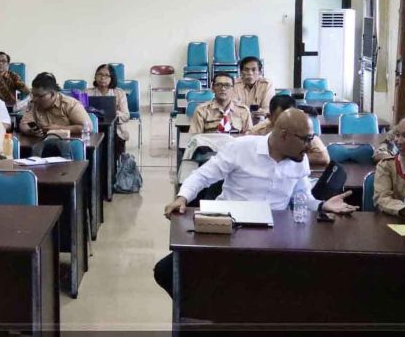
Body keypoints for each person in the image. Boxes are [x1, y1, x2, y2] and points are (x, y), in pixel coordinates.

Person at [153, 109, 358, 296]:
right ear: (284, 135)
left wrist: (322, 205)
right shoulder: (241, 148)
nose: (310, 146)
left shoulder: (299, 160)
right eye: (306, 139)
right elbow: (203, 175)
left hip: (274, 236)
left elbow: (302, 197)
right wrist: (182, 197)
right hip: (229, 230)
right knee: (167, 271)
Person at [250, 94, 329, 167]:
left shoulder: (302, 130)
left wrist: (288, 158)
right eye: (281, 119)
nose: (287, 123)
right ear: (269, 117)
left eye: (291, 119)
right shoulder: (255, 132)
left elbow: (323, 158)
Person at [20, 72, 92, 137]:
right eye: (33, 95)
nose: (35, 99)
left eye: (39, 96)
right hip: (40, 143)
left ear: (52, 94)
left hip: (68, 143)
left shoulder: (70, 104)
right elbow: (24, 124)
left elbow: (87, 127)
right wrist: (30, 131)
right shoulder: (34, 103)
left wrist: (59, 128)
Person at [87, 64, 130, 162]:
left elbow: (126, 116)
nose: (102, 78)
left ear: (112, 78)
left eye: (106, 75)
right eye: (100, 74)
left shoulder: (119, 93)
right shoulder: (88, 93)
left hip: (115, 131)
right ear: (95, 76)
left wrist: (115, 113)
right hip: (94, 129)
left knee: (114, 156)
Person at [233, 56, 274, 121]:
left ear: (260, 72)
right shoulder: (234, 85)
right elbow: (233, 108)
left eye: (254, 70)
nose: (250, 73)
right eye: (246, 70)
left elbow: (267, 109)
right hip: (239, 120)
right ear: (241, 72)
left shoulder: (267, 84)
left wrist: (259, 113)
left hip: (260, 120)